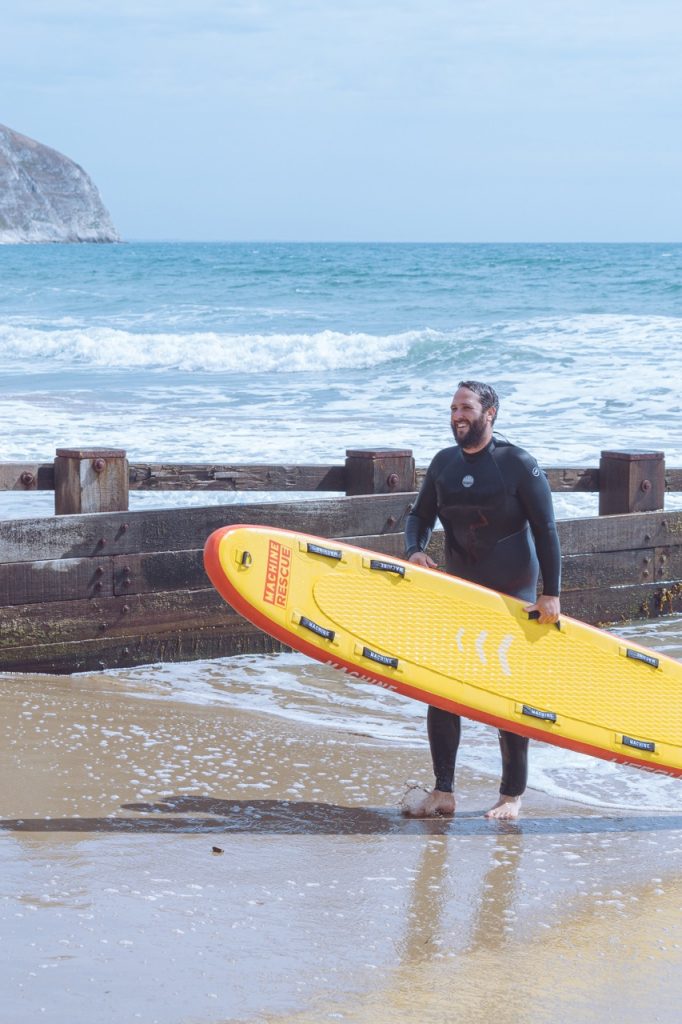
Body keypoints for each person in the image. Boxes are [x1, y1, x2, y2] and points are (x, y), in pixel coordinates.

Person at [403, 380, 561, 820]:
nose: (457, 415)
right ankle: (443, 793)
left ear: (490, 412)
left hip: (514, 596)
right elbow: (419, 516)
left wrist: (551, 594)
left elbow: (547, 529)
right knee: (442, 690)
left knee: (509, 697)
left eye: (466, 407)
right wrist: (415, 549)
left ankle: (511, 798)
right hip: (462, 593)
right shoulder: (444, 464)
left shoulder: (518, 464)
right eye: (453, 407)